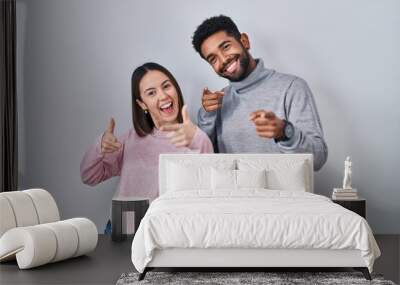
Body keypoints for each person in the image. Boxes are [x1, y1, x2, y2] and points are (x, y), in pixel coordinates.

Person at [80, 62, 213, 233]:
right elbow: (89, 176)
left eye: (167, 86)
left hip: (166, 235)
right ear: (142, 104)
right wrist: (100, 146)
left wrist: (197, 137)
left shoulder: (195, 138)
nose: (163, 96)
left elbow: (209, 191)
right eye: (151, 93)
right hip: (122, 231)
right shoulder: (130, 139)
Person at [192, 15, 328, 171]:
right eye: (213, 59)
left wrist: (285, 132)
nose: (223, 60)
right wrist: (207, 116)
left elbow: (318, 159)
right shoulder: (217, 103)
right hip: (234, 195)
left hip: (284, 195)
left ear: (244, 41)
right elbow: (203, 164)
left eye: (226, 47)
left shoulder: (292, 87)